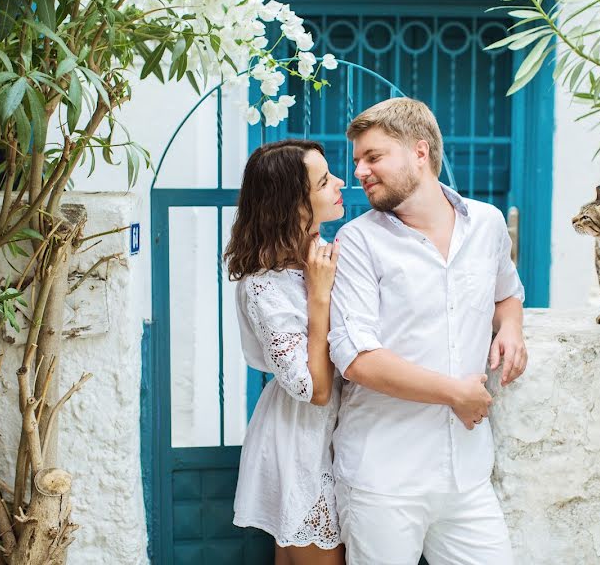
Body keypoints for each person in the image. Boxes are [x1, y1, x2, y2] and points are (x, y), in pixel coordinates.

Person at [328, 98, 528, 565]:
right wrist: (455, 394)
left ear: (420, 153)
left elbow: (507, 291)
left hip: (468, 475)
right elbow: (358, 358)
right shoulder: (357, 240)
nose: (360, 171)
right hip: (383, 477)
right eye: (357, 160)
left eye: (373, 157)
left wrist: (512, 328)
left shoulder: (488, 223)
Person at [225, 139, 346, 565]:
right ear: (294, 203)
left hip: (337, 435)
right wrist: (318, 298)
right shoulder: (263, 284)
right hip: (300, 440)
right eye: (325, 181)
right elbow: (314, 390)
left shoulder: (319, 255)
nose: (341, 183)